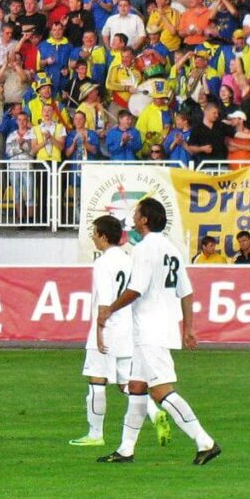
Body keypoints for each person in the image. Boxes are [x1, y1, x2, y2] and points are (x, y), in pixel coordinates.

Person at [95, 196, 221, 466]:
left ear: (144, 219)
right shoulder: (171, 248)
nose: (134, 214)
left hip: (149, 330)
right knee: (137, 387)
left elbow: (135, 289)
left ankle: (205, 441)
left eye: (137, 211)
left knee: (160, 390)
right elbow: (186, 292)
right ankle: (126, 449)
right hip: (159, 328)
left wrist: (110, 309)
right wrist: (189, 329)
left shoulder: (144, 249)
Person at [70, 215, 169, 449]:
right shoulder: (129, 259)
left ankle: (95, 434)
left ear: (104, 236)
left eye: (95, 232)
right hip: (127, 330)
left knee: (97, 381)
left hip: (108, 328)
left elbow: (105, 299)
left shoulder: (103, 263)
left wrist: (99, 331)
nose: (93, 237)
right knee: (126, 384)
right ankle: (155, 414)